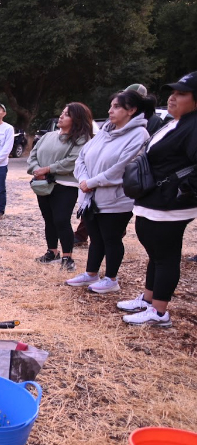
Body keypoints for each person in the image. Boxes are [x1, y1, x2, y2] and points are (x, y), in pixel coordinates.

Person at [118, 71, 197, 326]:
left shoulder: (194, 126)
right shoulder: (175, 122)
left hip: (170, 204)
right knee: (155, 252)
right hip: (153, 199)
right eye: (172, 93)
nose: (173, 98)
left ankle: (160, 312)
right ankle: (149, 299)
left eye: (181, 94)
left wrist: (181, 190)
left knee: (165, 256)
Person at [65, 91, 153, 293]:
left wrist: (93, 182)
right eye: (111, 105)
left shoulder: (139, 135)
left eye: (116, 107)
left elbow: (123, 167)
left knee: (111, 238)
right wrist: (84, 180)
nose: (110, 110)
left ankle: (111, 278)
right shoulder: (105, 131)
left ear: (131, 110)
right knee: (95, 237)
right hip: (90, 196)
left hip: (116, 199)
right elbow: (82, 157)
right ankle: (91, 274)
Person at [27, 102, 94, 272]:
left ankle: (67, 257)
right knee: (49, 219)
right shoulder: (48, 136)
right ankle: (52, 252)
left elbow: (72, 160)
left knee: (61, 220)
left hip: (65, 185)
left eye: (67, 114)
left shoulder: (82, 139)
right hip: (43, 184)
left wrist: (48, 169)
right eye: (62, 112)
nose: (61, 116)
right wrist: (37, 171)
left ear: (77, 119)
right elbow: (33, 155)